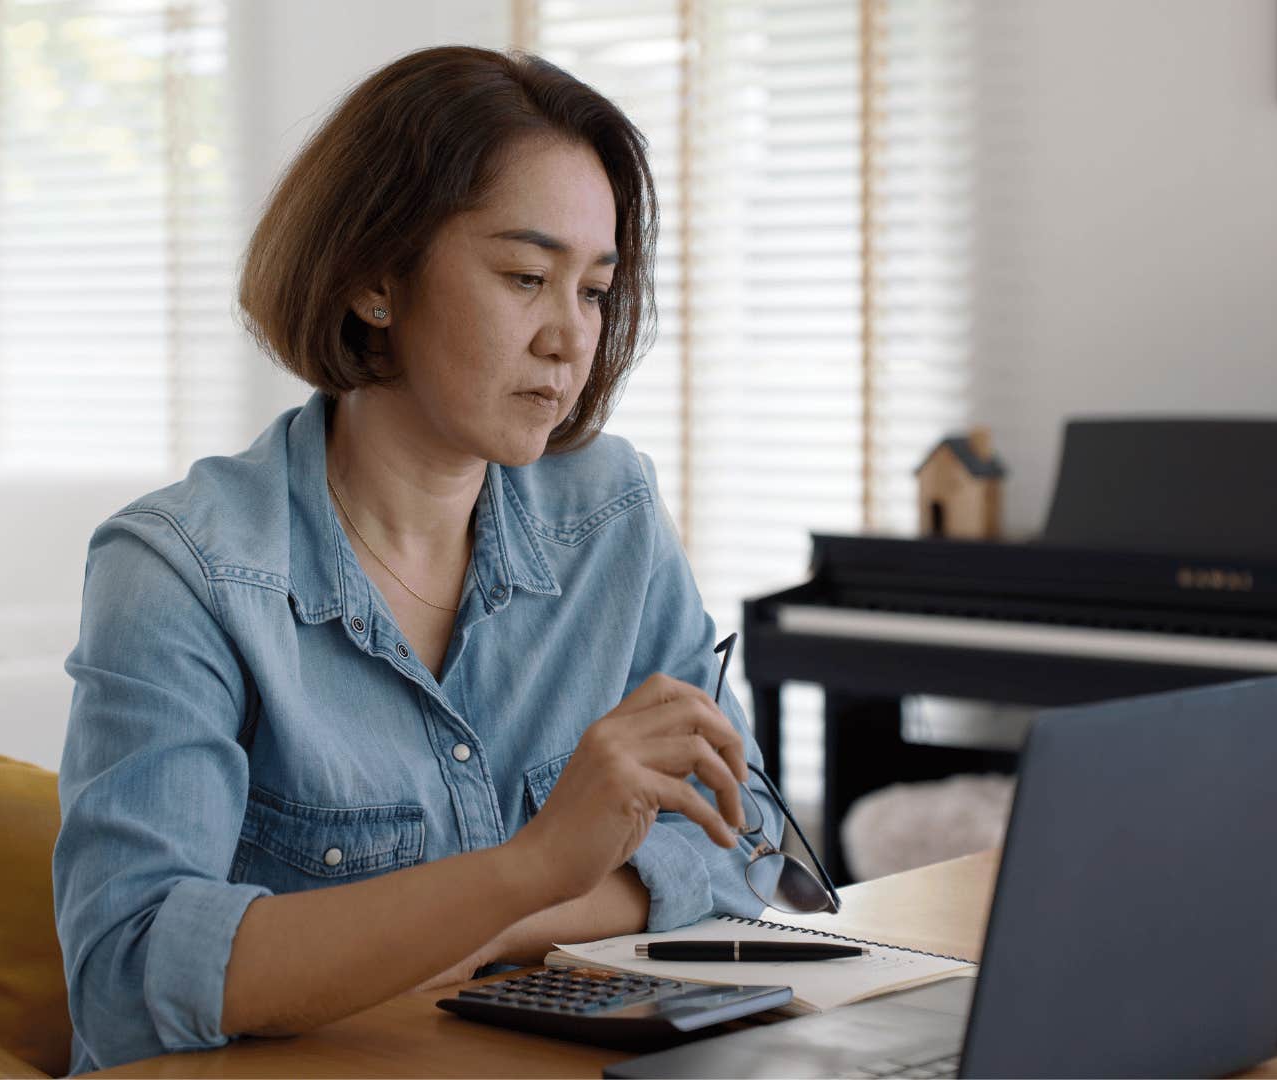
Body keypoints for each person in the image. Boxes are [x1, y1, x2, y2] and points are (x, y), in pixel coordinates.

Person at [52, 45, 779, 1074]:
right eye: (527, 277)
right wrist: (532, 868)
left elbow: (740, 842)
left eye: (596, 289)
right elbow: (127, 979)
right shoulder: (182, 572)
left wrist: (492, 926)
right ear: (373, 281)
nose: (571, 337)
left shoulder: (609, 512)